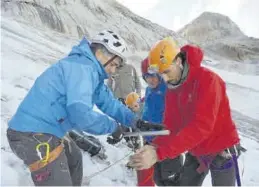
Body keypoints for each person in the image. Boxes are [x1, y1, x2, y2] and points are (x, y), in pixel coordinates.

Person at [6, 30, 138, 186]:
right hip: (31, 134)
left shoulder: (91, 72)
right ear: (102, 54)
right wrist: (113, 127)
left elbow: (108, 102)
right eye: (114, 64)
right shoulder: (82, 68)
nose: (114, 70)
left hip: (44, 130)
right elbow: (80, 114)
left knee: (73, 157)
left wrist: (134, 121)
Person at [129, 38, 241, 186]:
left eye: (167, 72)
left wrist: (158, 154)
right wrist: (154, 147)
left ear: (178, 61)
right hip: (197, 149)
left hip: (221, 147)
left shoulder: (208, 80)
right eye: (162, 74)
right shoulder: (172, 88)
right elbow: (171, 126)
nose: (165, 78)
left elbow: (202, 126)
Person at [138, 57, 183, 186]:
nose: (151, 80)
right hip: (151, 140)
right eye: (147, 76)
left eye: (154, 76)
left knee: (171, 180)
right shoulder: (148, 90)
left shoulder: (168, 89)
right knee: (157, 178)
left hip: (167, 142)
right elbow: (148, 109)